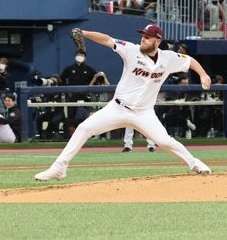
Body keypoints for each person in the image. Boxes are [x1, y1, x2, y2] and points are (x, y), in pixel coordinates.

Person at [35, 24, 212, 181]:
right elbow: (107, 40)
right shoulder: (131, 50)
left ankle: (195, 163)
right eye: (142, 36)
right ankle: (59, 168)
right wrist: (84, 33)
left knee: (165, 141)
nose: (143, 39)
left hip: (144, 113)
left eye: (147, 37)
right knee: (84, 128)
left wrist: (203, 74)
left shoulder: (168, 58)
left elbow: (190, 61)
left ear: (157, 41)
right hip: (117, 108)